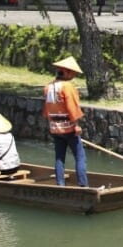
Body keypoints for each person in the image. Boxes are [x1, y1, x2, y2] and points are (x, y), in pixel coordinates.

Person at [43, 56, 88, 187]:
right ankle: (83, 185)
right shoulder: (68, 87)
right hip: (69, 128)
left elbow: (46, 111)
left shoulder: (48, 87)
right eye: (73, 72)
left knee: (59, 157)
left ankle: (60, 184)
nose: (74, 75)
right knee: (80, 157)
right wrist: (76, 125)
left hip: (55, 128)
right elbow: (72, 108)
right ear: (66, 72)